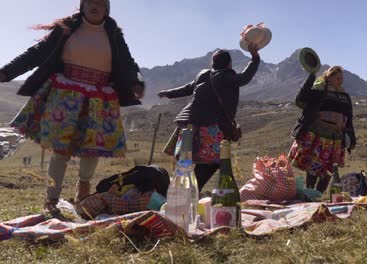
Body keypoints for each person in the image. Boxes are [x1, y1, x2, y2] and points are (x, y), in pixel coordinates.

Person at [0, 0, 145, 215]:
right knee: (60, 149)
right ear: (82, 6)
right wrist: (6, 72)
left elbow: (127, 62)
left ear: (107, 9)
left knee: (92, 148)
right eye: (90, 3)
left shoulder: (113, 34)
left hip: (99, 98)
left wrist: (136, 82)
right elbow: (35, 53)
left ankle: (83, 188)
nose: (95, 7)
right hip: (66, 94)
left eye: (101, 4)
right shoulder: (66, 29)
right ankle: (51, 198)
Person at [158, 46, 260, 192]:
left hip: (188, 124)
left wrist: (168, 93)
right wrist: (255, 58)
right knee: (213, 162)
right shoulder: (226, 76)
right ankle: (189, 192)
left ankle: (180, 193)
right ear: (229, 64)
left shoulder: (203, 74)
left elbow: (187, 88)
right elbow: (244, 78)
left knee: (187, 162)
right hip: (209, 128)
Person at [288, 66, 356, 193]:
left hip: (336, 137)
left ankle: (319, 193)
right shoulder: (318, 91)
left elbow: (349, 118)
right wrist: (311, 76)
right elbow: (300, 100)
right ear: (328, 77)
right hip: (319, 134)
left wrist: (351, 138)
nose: (340, 81)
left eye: (342, 78)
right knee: (315, 164)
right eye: (337, 78)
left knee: (331, 166)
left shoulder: (345, 96)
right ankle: (310, 191)